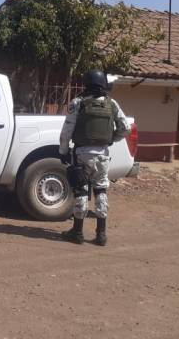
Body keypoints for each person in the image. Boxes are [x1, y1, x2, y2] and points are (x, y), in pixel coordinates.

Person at [59, 70, 131, 246]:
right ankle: (101, 235)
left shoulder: (78, 103)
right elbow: (125, 128)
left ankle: (77, 232)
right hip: (103, 154)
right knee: (101, 190)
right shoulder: (111, 103)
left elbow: (67, 131)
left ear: (86, 83)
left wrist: (63, 151)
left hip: (82, 154)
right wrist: (111, 139)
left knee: (81, 190)